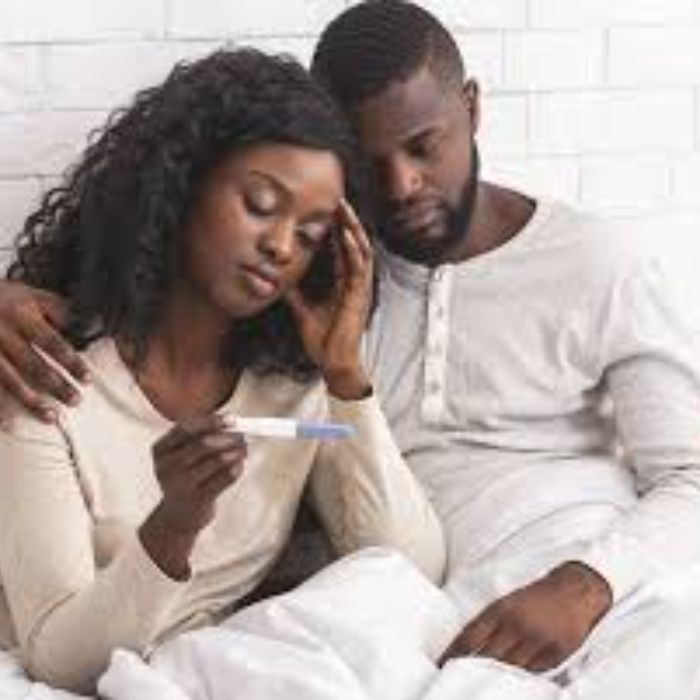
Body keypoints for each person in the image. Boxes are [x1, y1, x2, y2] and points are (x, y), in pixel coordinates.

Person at [2, 0, 700, 694]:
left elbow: (688, 478)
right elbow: (64, 652)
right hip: (387, 626)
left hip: (585, 576)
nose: (402, 186)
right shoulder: (315, 300)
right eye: (370, 167)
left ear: (472, 107)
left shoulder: (596, 263)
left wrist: (589, 582)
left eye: (423, 146)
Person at [0, 46, 445, 694]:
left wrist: (345, 375)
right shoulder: (50, 380)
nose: (282, 245)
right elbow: (60, 659)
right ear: (181, 184)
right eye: (260, 204)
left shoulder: (293, 391)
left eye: (310, 232)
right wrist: (175, 523)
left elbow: (410, 573)